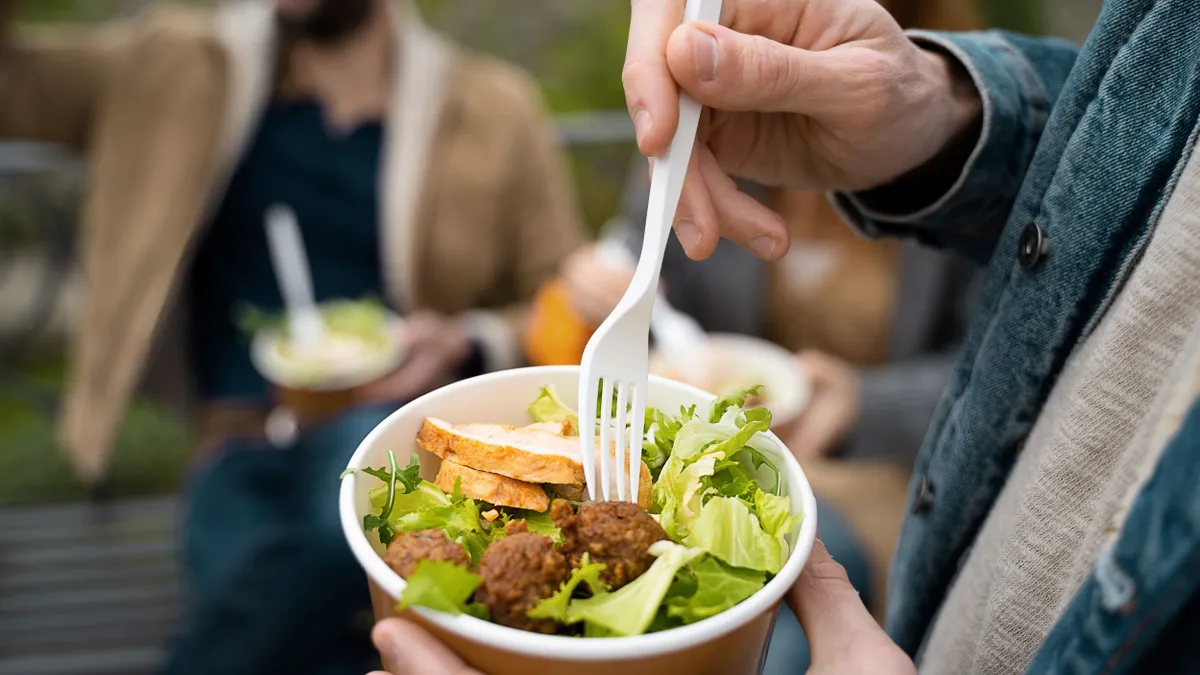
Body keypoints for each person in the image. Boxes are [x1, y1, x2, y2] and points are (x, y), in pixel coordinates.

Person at [376, 0, 1200, 672]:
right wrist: (607, 278)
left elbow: (1009, 350)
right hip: (706, 438)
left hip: (869, 465)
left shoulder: (909, 125)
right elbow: (640, 250)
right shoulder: (711, 109)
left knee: (819, 549)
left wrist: (858, 402)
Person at [0, 0, 583, 673]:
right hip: (234, 441)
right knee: (282, 605)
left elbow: (558, 289)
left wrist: (463, 339)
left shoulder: (493, 105)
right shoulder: (175, 64)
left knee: (309, 563)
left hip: (389, 425)